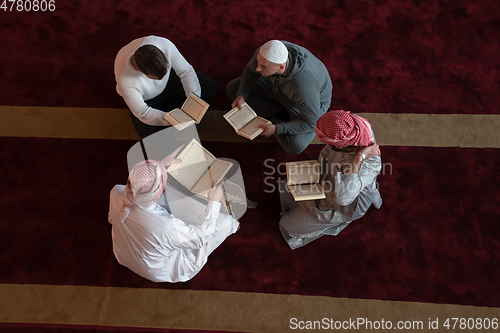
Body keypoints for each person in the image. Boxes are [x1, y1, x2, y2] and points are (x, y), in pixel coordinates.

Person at [108, 147, 239, 283]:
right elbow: (200, 239)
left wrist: (159, 166)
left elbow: (113, 218)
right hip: (160, 270)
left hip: (122, 255)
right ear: (157, 194)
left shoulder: (116, 191)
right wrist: (214, 200)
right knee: (225, 223)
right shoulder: (165, 227)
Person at [278, 110, 382, 249]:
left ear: (339, 145)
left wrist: (359, 157)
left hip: (346, 202)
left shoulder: (369, 162)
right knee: (286, 187)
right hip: (329, 181)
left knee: (286, 224)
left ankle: (333, 224)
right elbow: (327, 154)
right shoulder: (352, 130)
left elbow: (343, 198)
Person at [226, 40, 333, 154]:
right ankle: (278, 112)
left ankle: (276, 118)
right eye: (258, 63)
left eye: (263, 66)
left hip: (302, 104)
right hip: (276, 85)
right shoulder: (267, 52)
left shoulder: (304, 86)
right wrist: (242, 94)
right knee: (233, 89)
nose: (257, 68)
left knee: (295, 146)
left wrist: (277, 128)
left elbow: (312, 122)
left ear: (281, 67)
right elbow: (251, 70)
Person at [114, 36, 217, 138]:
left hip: (170, 81)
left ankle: (173, 109)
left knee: (209, 86)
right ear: (139, 70)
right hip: (148, 99)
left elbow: (186, 72)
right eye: (155, 78)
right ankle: (173, 110)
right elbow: (143, 112)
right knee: (152, 138)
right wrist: (174, 118)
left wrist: (193, 101)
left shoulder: (164, 44)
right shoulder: (125, 81)